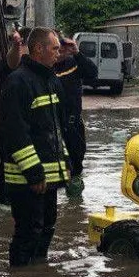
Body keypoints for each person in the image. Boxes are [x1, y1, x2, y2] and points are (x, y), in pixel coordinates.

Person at [0, 26, 70, 265]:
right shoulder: (18, 82)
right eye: (55, 48)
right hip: (27, 180)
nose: (58, 54)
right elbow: (15, 133)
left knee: (46, 229)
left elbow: (54, 129)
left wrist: (65, 162)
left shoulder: (49, 81)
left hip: (47, 180)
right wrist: (34, 172)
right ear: (39, 49)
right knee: (28, 234)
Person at [54, 35, 99, 200]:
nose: (61, 51)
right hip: (52, 124)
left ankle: (74, 205)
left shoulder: (74, 64)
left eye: (64, 47)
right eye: (57, 48)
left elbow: (93, 73)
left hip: (72, 123)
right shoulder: (45, 68)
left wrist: (77, 53)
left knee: (76, 161)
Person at [0, 27, 27, 211]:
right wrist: (17, 45)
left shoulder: (38, 72)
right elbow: (12, 62)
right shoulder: (10, 68)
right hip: (12, 132)